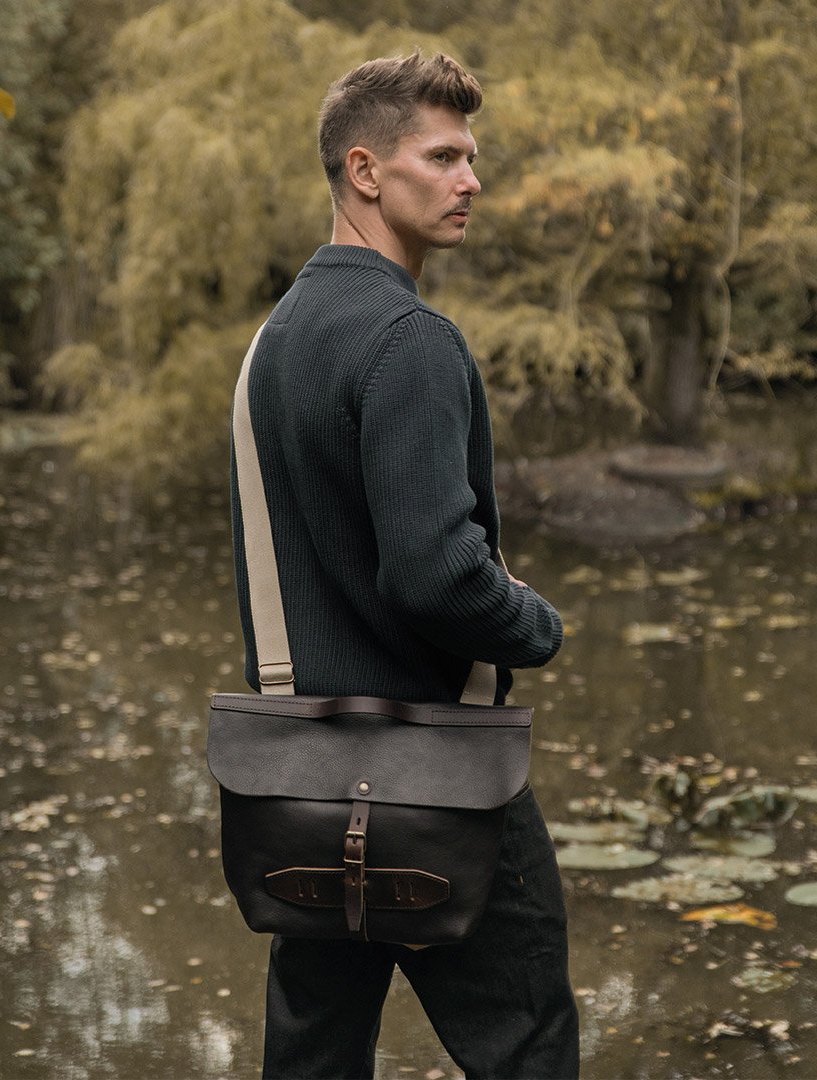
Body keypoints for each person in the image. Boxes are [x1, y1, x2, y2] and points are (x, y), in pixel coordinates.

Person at [230, 50, 580, 1080]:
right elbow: (435, 577)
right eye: (445, 155)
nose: (473, 179)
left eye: (472, 157)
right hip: (441, 786)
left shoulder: (277, 338)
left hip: (297, 784)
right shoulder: (410, 340)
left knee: (313, 1059)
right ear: (367, 170)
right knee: (527, 1048)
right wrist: (537, 625)